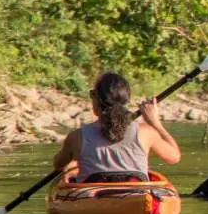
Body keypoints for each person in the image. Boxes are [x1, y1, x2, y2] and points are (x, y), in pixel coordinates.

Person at [52, 72, 182, 182]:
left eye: (92, 94)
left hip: (93, 201)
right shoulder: (146, 132)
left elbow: (58, 164)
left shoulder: (76, 137)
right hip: (135, 198)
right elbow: (174, 157)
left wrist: (75, 157)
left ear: (97, 100)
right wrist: (155, 123)